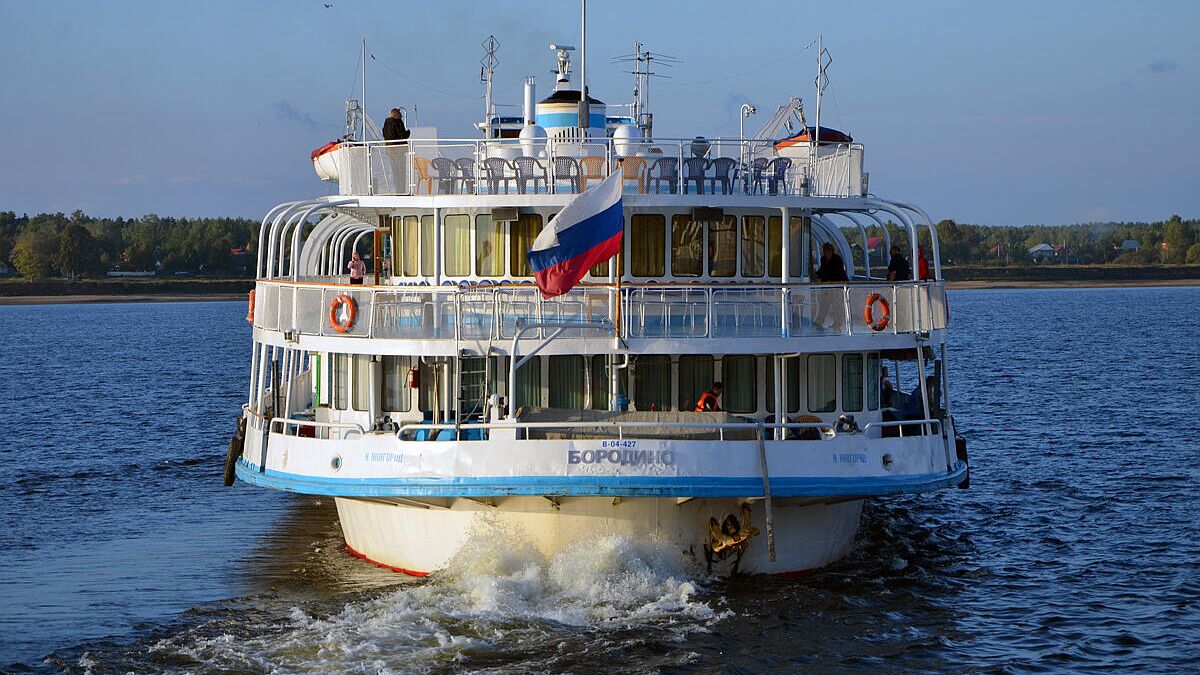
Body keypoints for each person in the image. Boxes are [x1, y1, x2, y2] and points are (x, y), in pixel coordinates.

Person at [813, 242, 849, 330]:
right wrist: (816, 274)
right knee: (824, 304)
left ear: (831, 251)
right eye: (824, 251)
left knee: (837, 306)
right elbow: (822, 270)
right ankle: (819, 321)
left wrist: (830, 280)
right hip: (827, 287)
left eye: (826, 251)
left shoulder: (837, 259)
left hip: (838, 287)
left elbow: (839, 273)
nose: (825, 253)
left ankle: (837, 324)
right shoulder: (823, 259)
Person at [381, 108, 410, 194]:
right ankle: (401, 191)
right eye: (400, 115)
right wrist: (408, 133)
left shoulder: (386, 124)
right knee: (401, 171)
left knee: (395, 171)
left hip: (390, 151)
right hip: (399, 151)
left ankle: (398, 191)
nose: (401, 116)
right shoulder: (398, 123)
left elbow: (385, 135)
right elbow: (402, 135)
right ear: (396, 115)